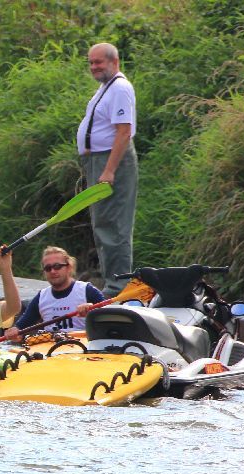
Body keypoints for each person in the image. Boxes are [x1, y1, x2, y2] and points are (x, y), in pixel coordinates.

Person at [76, 42, 138, 297]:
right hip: (98, 161)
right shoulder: (106, 88)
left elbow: (123, 132)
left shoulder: (120, 88)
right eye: (91, 62)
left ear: (115, 62)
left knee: (114, 225)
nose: (94, 67)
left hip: (112, 162)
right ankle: (113, 282)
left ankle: (119, 286)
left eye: (99, 62)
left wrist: (109, 170)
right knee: (102, 223)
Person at [2, 246, 106, 341]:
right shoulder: (41, 297)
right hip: (53, 350)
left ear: (69, 267)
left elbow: (111, 315)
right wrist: (14, 332)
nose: (52, 271)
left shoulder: (87, 290)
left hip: (83, 348)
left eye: (57, 266)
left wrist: (93, 309)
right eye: (48, 268)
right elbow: (22, 325)